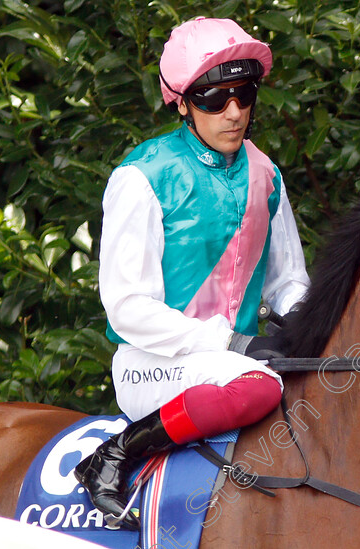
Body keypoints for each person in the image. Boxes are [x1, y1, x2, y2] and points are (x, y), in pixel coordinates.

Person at [73, 17, 310, 530]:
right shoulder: (141, 177)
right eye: (213, 99)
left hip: (239, 360)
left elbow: (289, 282)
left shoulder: (267, 174)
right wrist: (231, 344)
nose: (233, 112)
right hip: (151, 366)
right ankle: (113, 457)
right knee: (259, 390)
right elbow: (126, 308)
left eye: (244, 95)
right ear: (181, 102)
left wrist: (301, 325)